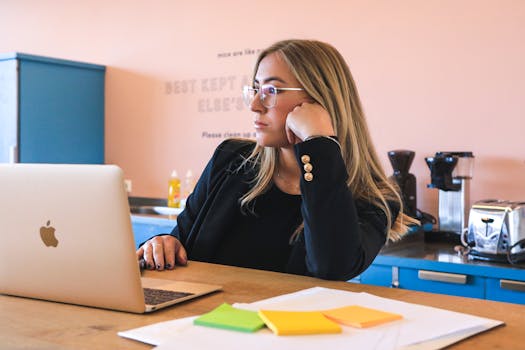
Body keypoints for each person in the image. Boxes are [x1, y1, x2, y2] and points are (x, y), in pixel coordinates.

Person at [137, 39, 418, 280]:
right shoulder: (230, 160)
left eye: (272, 91)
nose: (254, 104)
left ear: (319, 101)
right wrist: (164, 244)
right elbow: (181, 240)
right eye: (255, 88)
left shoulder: (373, 199)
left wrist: (319, 144)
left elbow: (332, 268)